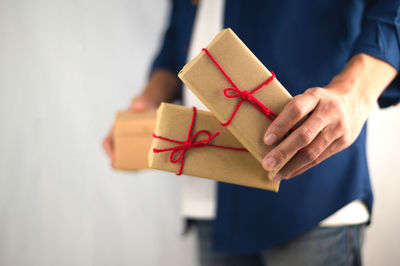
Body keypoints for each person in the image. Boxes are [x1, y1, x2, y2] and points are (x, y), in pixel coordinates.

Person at [103, 0, 400, 265]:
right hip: (210, 192)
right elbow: (178, 33)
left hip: (309, 195)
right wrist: (144, 107)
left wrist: (355, 93)